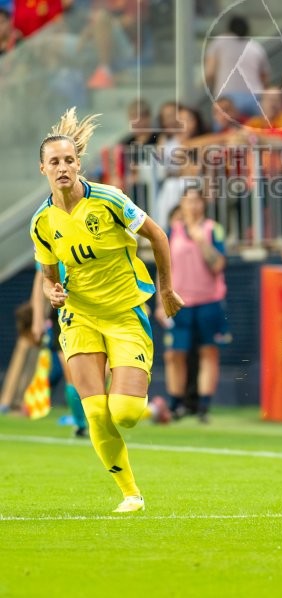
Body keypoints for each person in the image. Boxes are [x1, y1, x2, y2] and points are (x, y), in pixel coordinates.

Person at [29, 108, 183, 513]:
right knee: (95, 411)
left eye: (69, 160)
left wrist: (166, 288)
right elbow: (48, 276)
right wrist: (51, 292)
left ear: (78, 164)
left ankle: (148, 402)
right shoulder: (42, 222)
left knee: (126, 413)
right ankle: (131, 495)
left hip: (124, 313)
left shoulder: (109, 199)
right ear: (43, 169)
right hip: (79, 316)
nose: (62, 168)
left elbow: (158, 235)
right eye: (54, 162)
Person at [155, 188, 228, 424]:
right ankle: (176, 404)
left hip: (209, 301)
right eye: (188, 201)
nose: (193, 206)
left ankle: (204, 406)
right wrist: (160, 302)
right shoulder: (171, 231)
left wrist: (202, 241)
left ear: (203, 204)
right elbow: (163, 268)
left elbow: (218, 265)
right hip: (179, 303)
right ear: (182, 205)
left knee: (208, 351)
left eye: (197, 201)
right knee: (174, 354)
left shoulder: (213, 229)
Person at [30, 261, 86, 437]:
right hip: (63, 314)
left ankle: (95, 417)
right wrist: (37, 319)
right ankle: (80, 423)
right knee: (72, 374)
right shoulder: (49, 247)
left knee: (102, 372)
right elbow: (40, 280)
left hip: (93, 309)